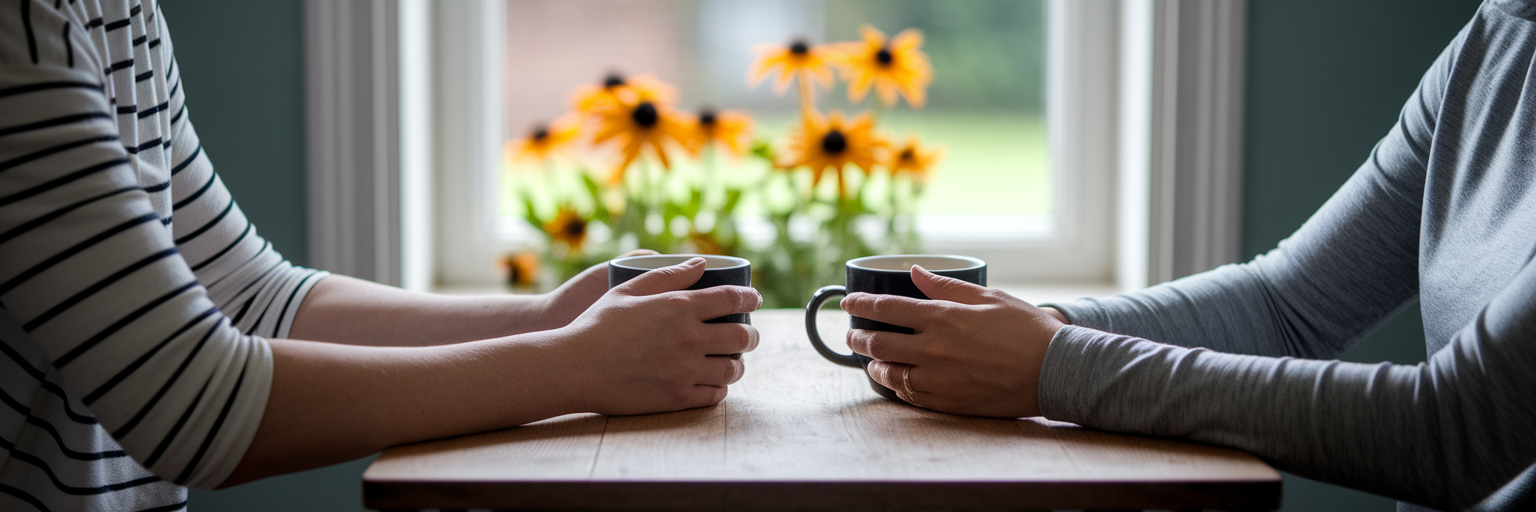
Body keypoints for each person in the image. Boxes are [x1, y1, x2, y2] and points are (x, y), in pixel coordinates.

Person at [0, 1, 761, 510]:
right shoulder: (23, 30)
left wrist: (548, 316)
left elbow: (247, 292)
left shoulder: (119, 12)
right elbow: (191, 404)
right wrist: (574, 364)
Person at [839, 1, 1536, 511]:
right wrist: (1034, 332)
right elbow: (1286, 306)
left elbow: (1453, 432)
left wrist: (1054, 365)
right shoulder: (1500, 37)